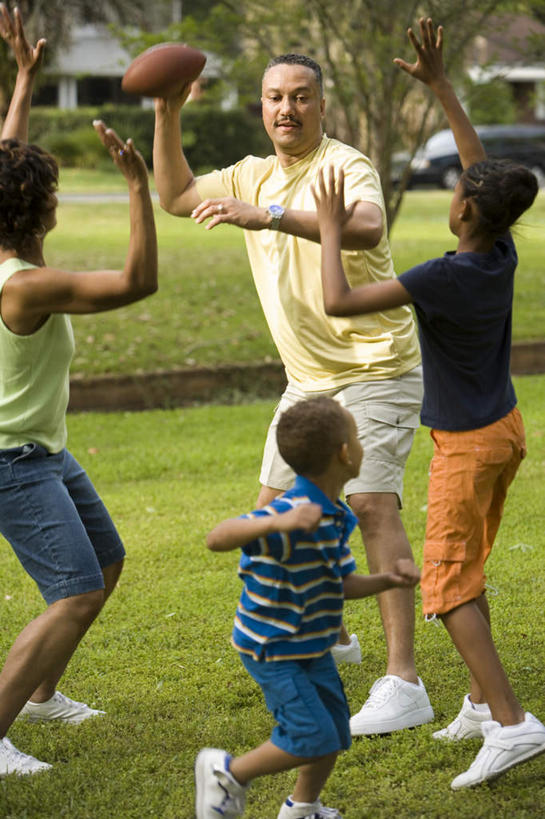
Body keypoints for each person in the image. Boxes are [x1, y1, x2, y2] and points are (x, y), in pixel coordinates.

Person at [154, 41, 433, 737]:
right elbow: (175, 196)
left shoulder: (344, 164)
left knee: (370, 501)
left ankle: (404, 681)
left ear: (319, 105)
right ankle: (331, 635)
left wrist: (272, 217)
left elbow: (367, 224)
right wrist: (165, 113)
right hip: (307, 380)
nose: (287, 108)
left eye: (300, 96)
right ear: (261, 106)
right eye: (276, 97)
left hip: (375, 366)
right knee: (271, 516)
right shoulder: (248, 173)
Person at [311, 17, 545, 789]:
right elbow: (481, 168)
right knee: (468, 565)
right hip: (505, 429)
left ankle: (512, 723)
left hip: (468, 441)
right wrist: (441, 85)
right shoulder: (499, 247)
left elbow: (339, 297)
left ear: (466, 211)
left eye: (456, 189)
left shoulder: (441, 276)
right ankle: (480, 704)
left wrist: (324, 225)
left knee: (445, 585)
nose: (454, 186)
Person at [0, 6, 157, 775]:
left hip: (44, 450)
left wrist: (24, 79)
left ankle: (41, 694)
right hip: (13, 461)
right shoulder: (27, 287)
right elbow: (138, 281)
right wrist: (136, 189)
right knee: (72, 591)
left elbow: (4, 156)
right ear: (39, 213)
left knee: (106, 559)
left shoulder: (10, 257)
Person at [195, 396, 420, 819]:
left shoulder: (334, 515)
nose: (361, 444)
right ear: (344, 453)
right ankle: (227, 771)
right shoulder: (290, 509)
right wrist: (273, 521)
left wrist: (387, 580)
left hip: (311, 645)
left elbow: (339, 584)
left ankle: (302, 808)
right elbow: (217, 537)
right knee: (310, 735)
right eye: (357, 436)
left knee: (333, 732)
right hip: (274, 648)